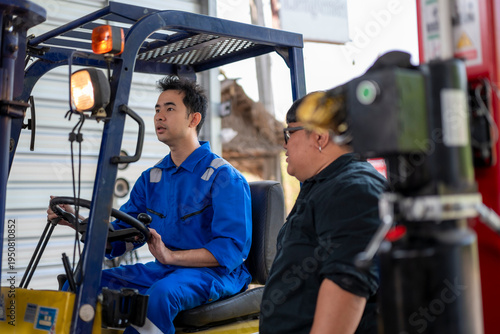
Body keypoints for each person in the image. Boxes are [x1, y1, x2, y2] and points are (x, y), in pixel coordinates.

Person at [47, 76, 252, 334]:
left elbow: (231, 250)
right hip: (166, 269)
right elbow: (124, 236)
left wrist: (171, 256)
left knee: (160, 295)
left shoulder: (222, 177)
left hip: (215, 274)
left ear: (194, 119)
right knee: (80, 283)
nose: (159, 117)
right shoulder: (152, 178)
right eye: (157, 109)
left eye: (169, 109)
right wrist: (78, 221)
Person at [259, 92, 387, 334]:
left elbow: (348, 286)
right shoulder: (323, 186)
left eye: (289, 134)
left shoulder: (353, 190)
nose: (284, 144)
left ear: (319, 135)